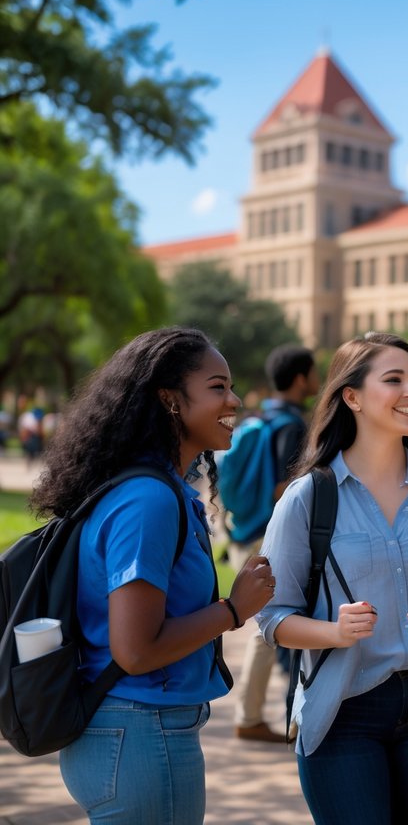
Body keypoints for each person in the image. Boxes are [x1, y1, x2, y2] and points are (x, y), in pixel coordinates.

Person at [27, 326, 276, 824]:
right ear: (170, 400)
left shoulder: (155, 489)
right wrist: (233, 610)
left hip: (133, 732)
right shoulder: (149, 500)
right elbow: (136, 650)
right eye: (217, 387)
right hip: (141, 733)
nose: (235, 400)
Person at [256, 332, 408, 825]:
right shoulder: (307, 498)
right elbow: (271, 617)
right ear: (352, 397)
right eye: (394, 380)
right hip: (342, 709)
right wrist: (333, 632)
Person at [229, 344, 320, 744]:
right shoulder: (291, 426)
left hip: (249, 530)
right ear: (300, 379)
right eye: (313, 373)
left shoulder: (261, 418)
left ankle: (251, 714)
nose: (317, 379)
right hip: (271, 535)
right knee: (275, 623)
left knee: (266, 622)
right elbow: (286, 487)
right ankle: (262, 716)